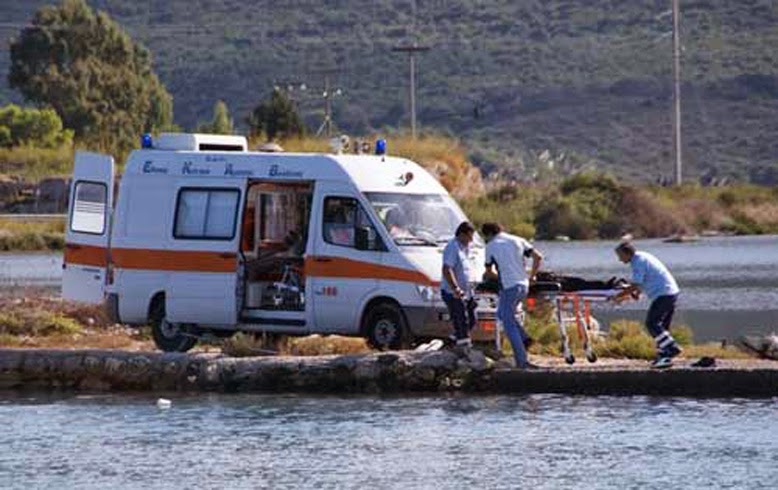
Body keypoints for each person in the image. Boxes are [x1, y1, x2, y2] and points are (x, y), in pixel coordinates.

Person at [481, 223, 543, 369]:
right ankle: (525, 338)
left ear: (488, 234)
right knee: (502, 314)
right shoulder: (518, 240)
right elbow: (538, 257)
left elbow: (489, 272)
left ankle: (522, 361)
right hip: (524, 285)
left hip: (509, 287)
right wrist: (532, 276)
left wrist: (495, 278)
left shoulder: (491, 246)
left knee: (508, 323)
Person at [614, 241, 682, 369]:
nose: (619, 259)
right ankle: (664, 358)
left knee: (652, 323)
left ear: (627, 253)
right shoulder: (642, 256)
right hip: (670, 292)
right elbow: (641, 282)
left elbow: (635, 284)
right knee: (662, 328)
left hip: (664, 294)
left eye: (620, 255)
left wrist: (617, 296)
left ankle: (672, 348)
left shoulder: (637, 262)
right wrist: (636, 292)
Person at [441, 222, 477, 351]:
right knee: (461, 320)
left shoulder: (465, 247)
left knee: (473, 320)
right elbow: (447, 269)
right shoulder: (453, 247)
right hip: (453, 292)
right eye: (469, 236)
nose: (471, 240)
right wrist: (455, 288)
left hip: (467, 292)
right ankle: (464, 349)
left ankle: (451, 341)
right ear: (461, 234)